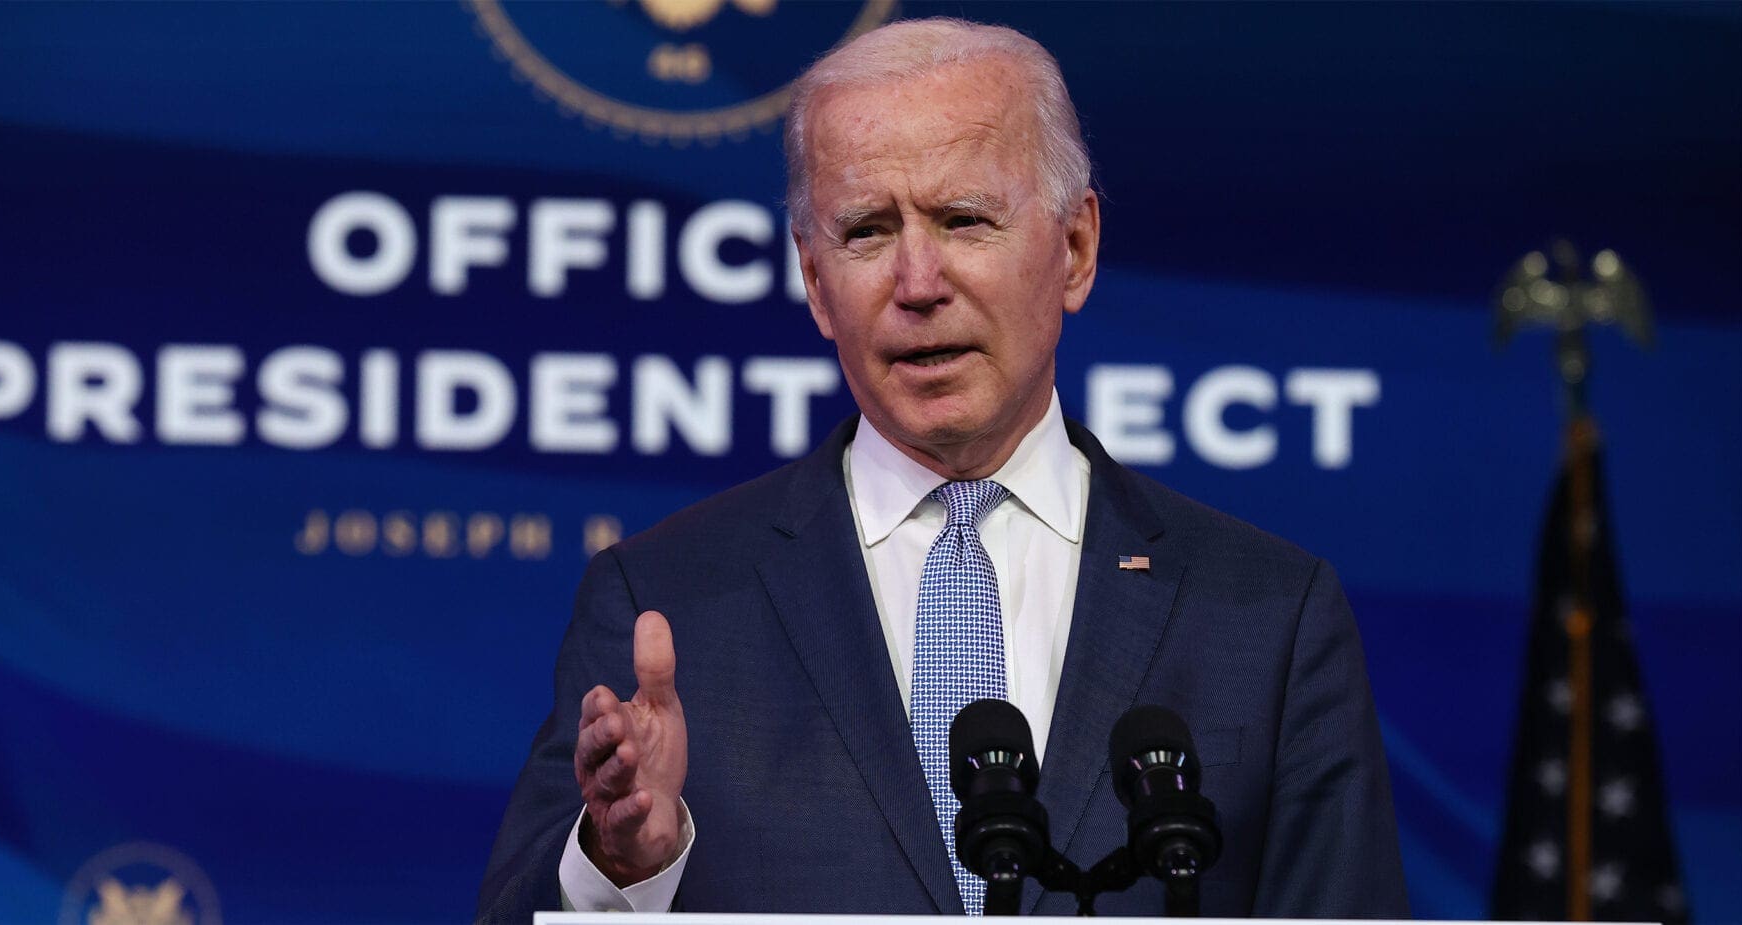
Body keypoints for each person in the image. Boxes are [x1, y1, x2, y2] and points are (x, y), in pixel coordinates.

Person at [478, 17, 1407, 921]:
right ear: (814, 279)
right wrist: (622, 864)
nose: (919, 282)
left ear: (1075, 248)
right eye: (868, 232)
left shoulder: (1269, 616)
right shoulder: (666, 602)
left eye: (965, 219)